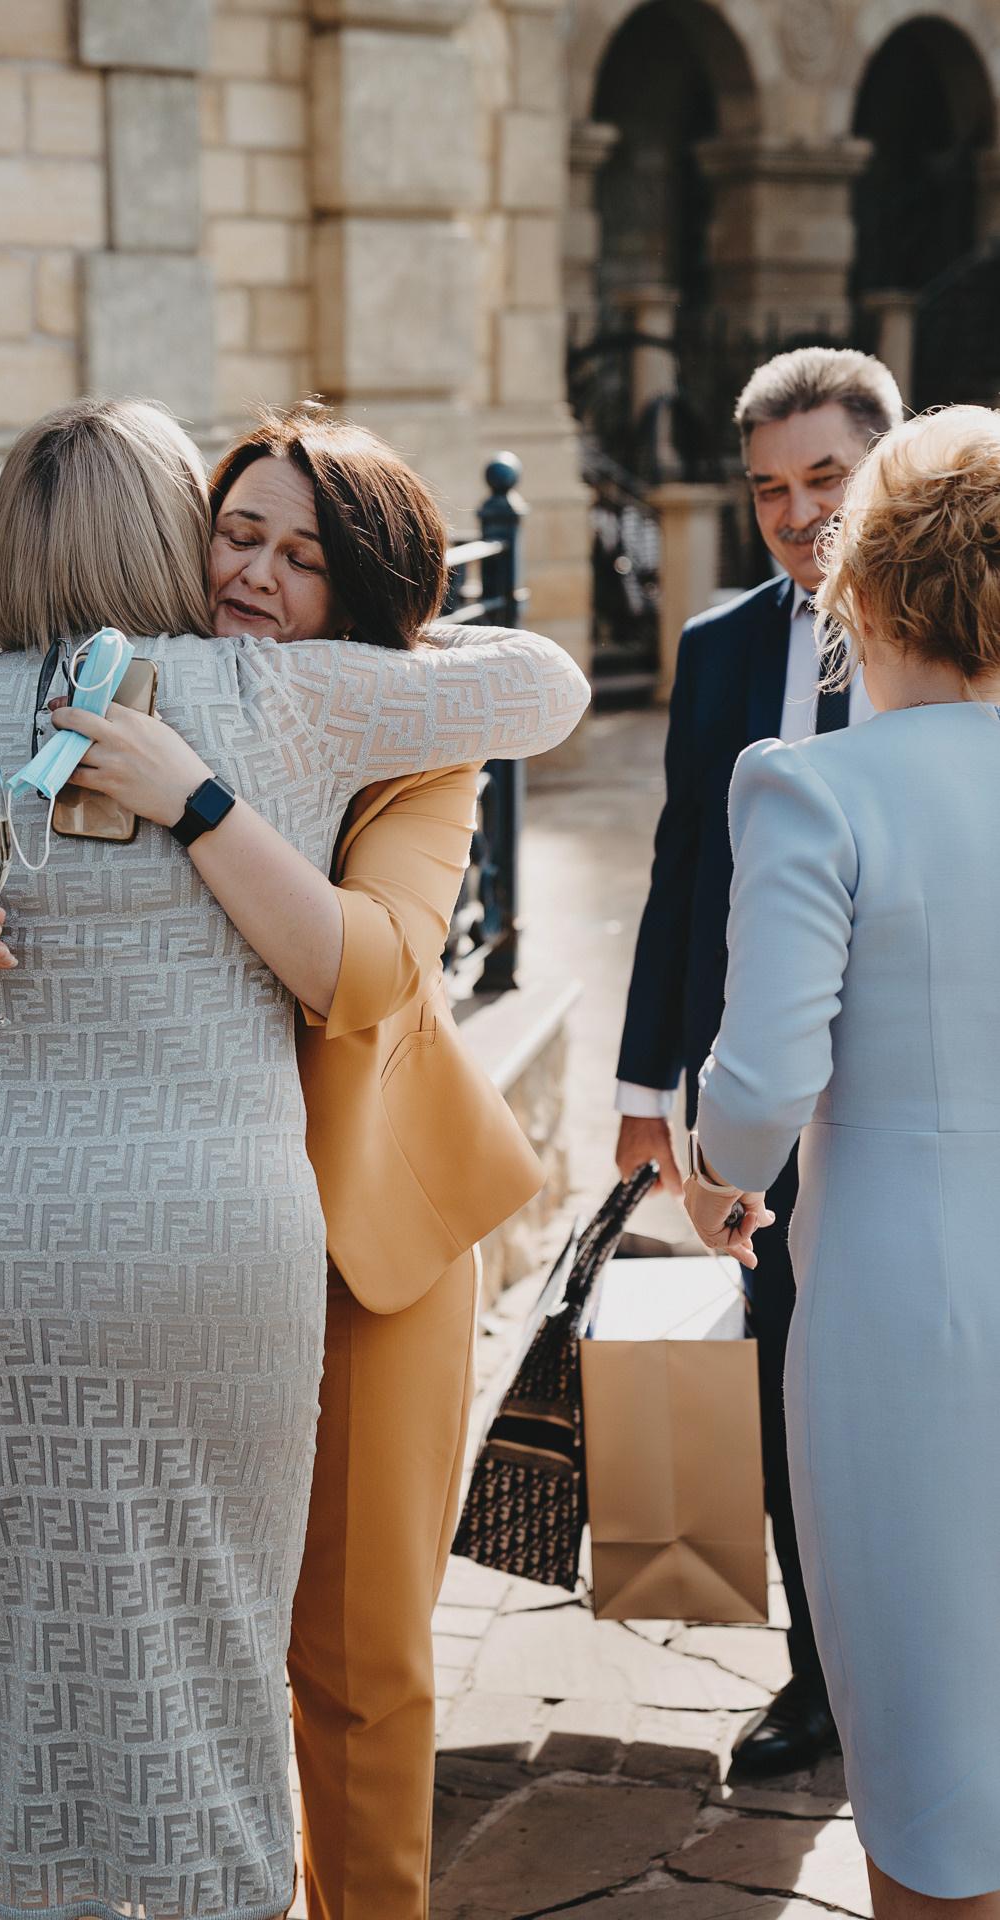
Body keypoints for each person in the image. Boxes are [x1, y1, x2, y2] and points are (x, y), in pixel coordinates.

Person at [0, 398, 588, 1920]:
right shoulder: (140, 696)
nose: (254, 572)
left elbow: (363, 975)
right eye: (234, 534)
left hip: (355, 1218)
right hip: (187, 1220)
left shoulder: (372, 721)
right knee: (166, 1614)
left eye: (302, 558)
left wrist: (199, 792)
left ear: (361, 596)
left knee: (344, 1651)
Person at [684, 404, 1000, 1916]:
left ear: (861, 595)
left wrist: (716, 1170)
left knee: (928, 1738)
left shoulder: (818, 785)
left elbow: (760, 1087)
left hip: (900, 1310)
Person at [613, 347, 903, 1779]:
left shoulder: (968, 638)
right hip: (759, 1091)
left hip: (919, 1080)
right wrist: (641, 1095)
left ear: (886, 471)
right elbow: (684, 870)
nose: (797, 516)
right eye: (769, 489)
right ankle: (818, 1677)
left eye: (826, 479)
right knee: (786, 1378)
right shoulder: (721, 646)